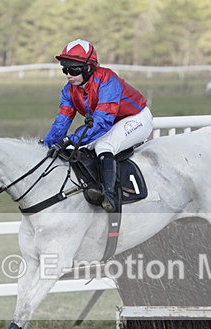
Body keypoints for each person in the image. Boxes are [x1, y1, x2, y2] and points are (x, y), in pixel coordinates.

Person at [43, 39, 153, 213]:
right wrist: (46, 144)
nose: (68, 74)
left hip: (136, 117)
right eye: (65, 68)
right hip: (112, 122)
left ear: (88, 67)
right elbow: (61, 122)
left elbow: (102, 121)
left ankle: (108, 195)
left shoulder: (108, 80)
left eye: (73, 69)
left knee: (104, 145)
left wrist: (70, 139)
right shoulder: (69, 90)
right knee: (79, 147)